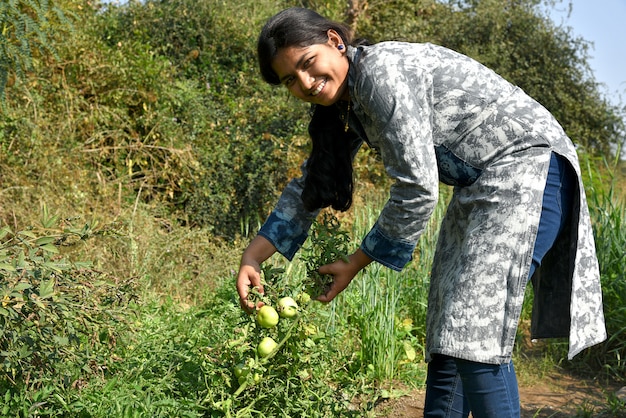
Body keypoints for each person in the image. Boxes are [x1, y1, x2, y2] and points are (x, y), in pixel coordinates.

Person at [235, 7, 607, 418]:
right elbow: (311, 184)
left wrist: (357, 261)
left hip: (526, 167)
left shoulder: (380, 73)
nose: (306, 82)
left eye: (308, 64)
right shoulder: (346, 104)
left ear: (335, 42)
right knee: (448, 339)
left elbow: (416, 187)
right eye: (291, 79)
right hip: (481, 183)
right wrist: (254, 255)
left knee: (475, 337)